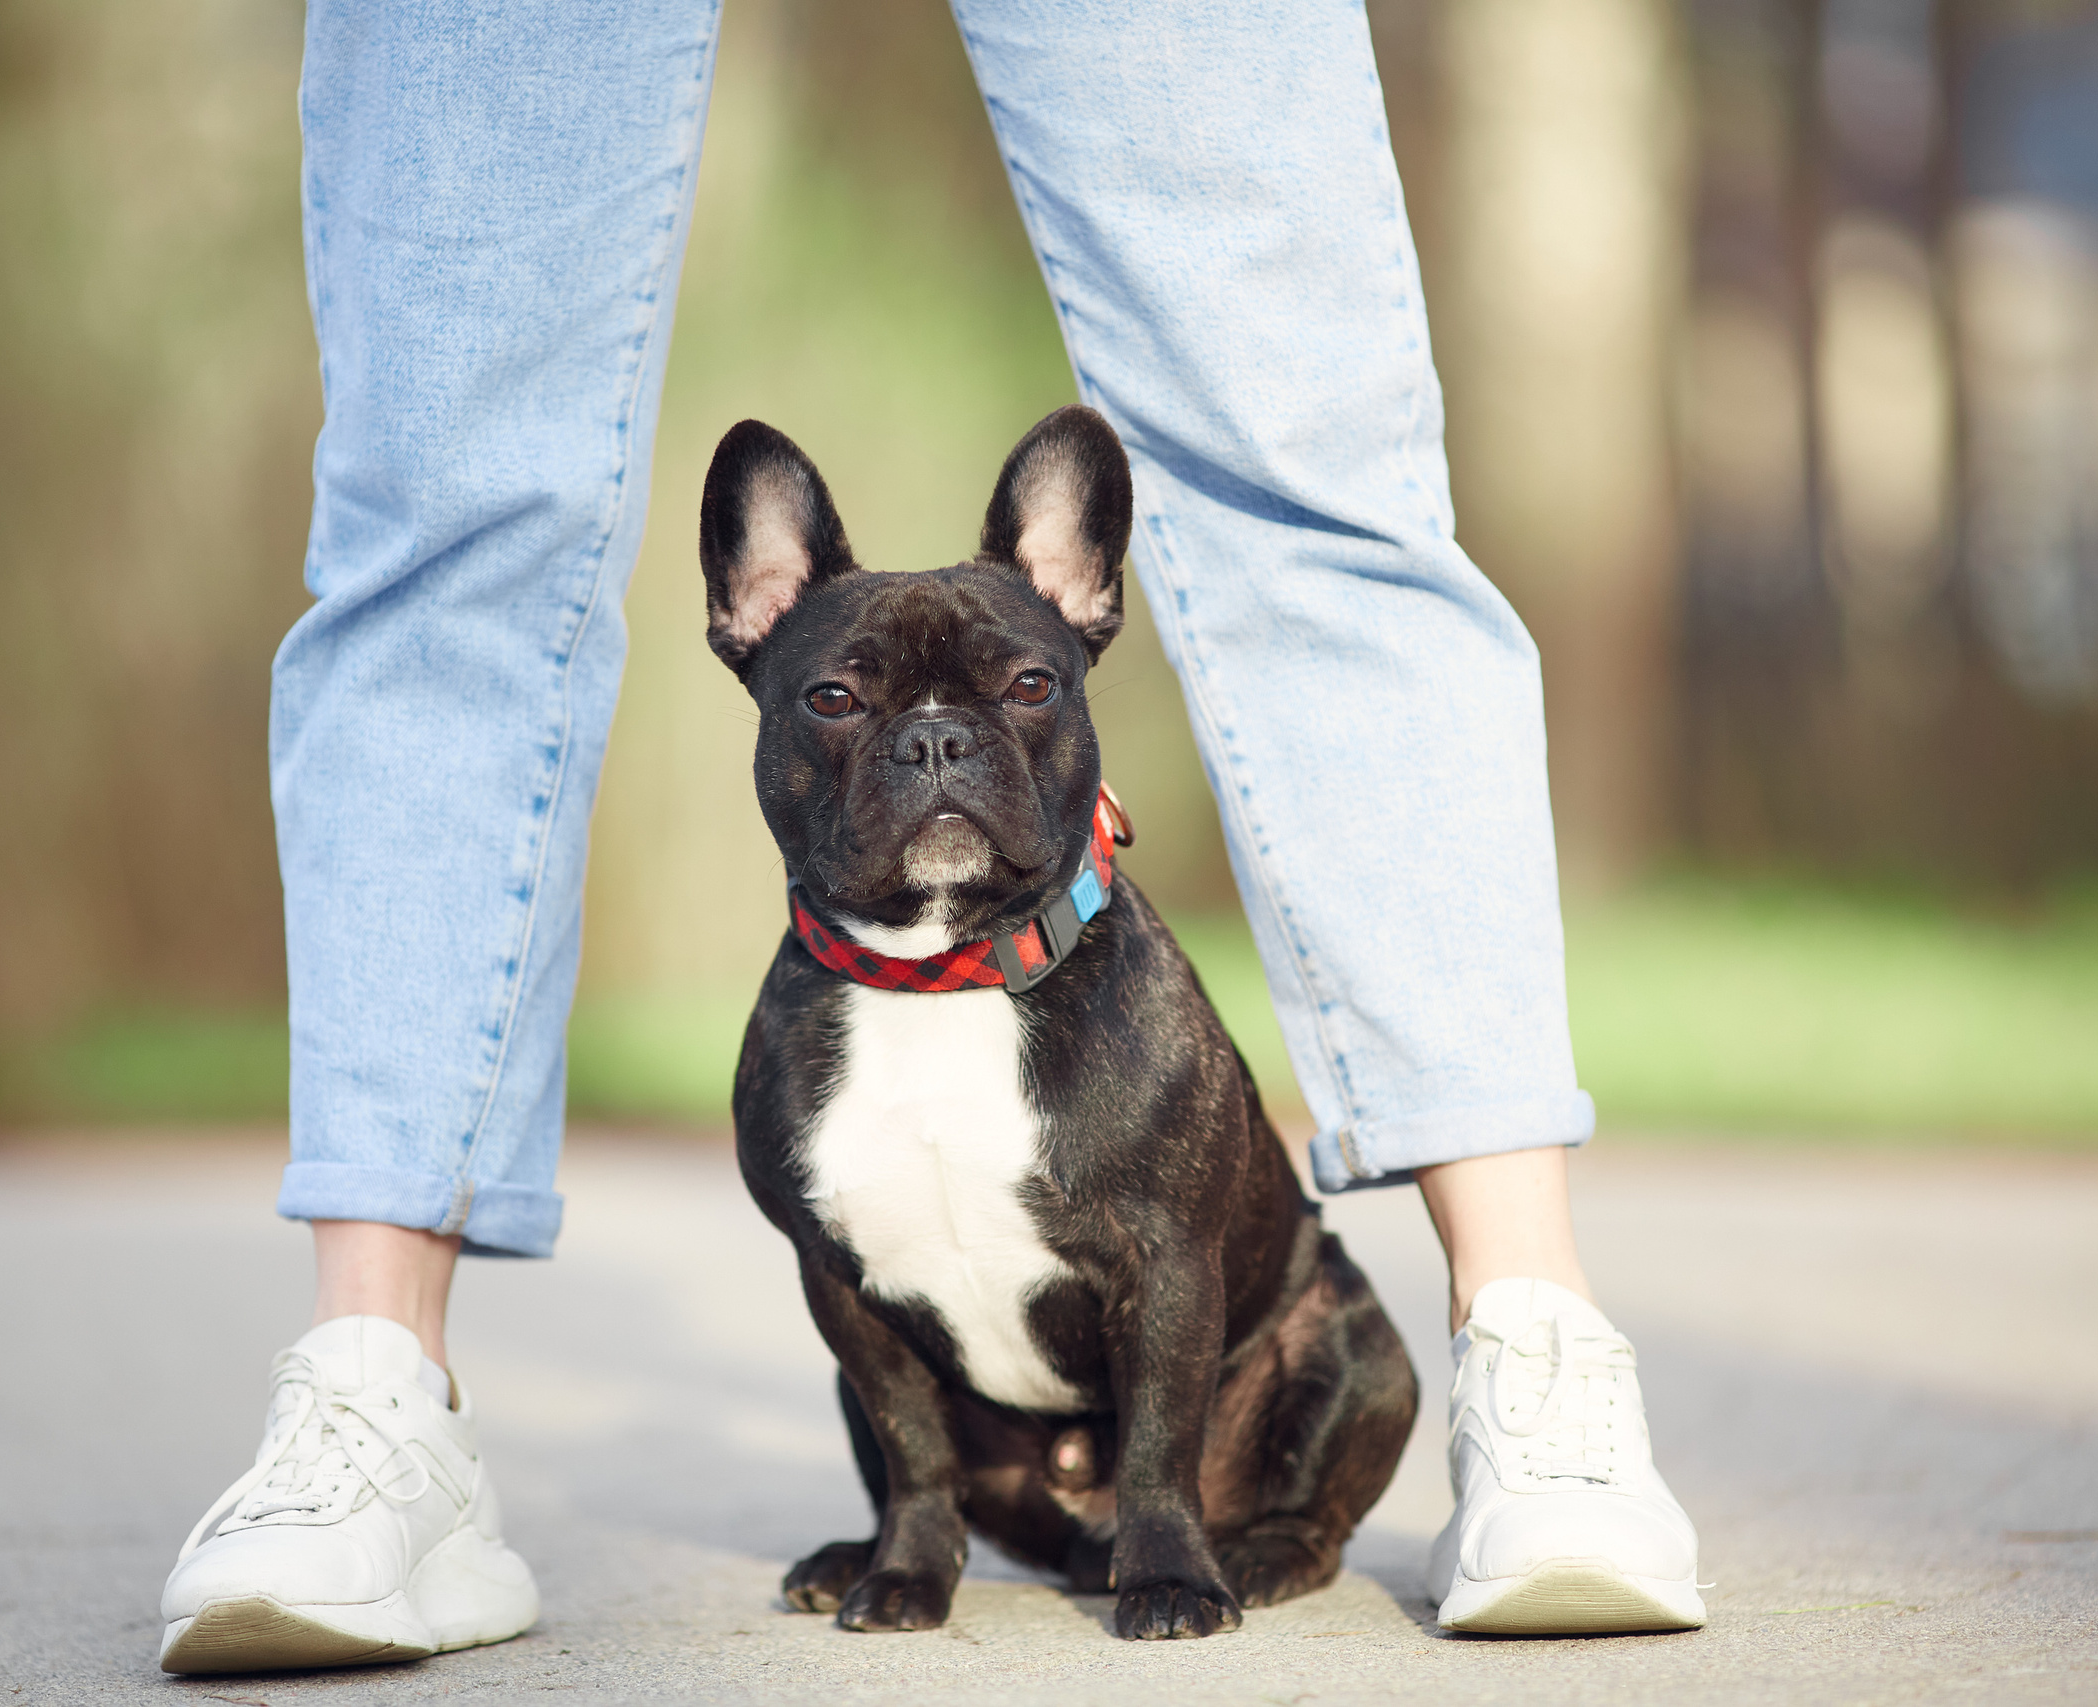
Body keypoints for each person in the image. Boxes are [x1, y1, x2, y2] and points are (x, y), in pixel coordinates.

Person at [155, 0, 1705, 1675]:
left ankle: (1532, 1340)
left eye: (1007, 695)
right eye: (850, 708)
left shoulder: (1143, 1027)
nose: (939, 749)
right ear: (751, 626)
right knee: (443, 494)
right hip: (958, 1341)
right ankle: (377, 1395)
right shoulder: (787, 1062)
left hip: (1216, 1342)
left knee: (1301, 443)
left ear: (1083, 606)